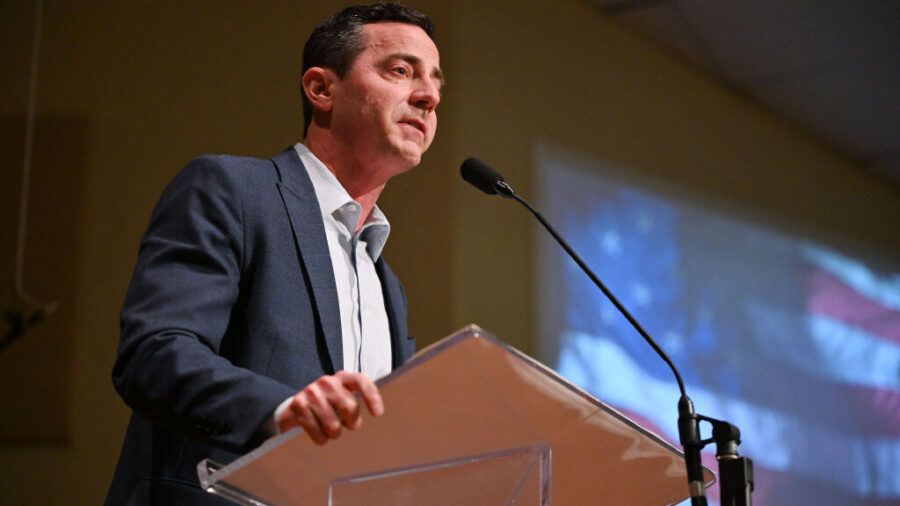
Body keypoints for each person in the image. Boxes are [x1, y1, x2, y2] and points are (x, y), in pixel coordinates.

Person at [105, 4, 443, 504]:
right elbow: (154, 354)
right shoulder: (232, 191)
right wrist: (279, 409)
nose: (429, 96)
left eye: (436, 82)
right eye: (401, 71)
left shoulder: (385, 282)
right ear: (321, 89)